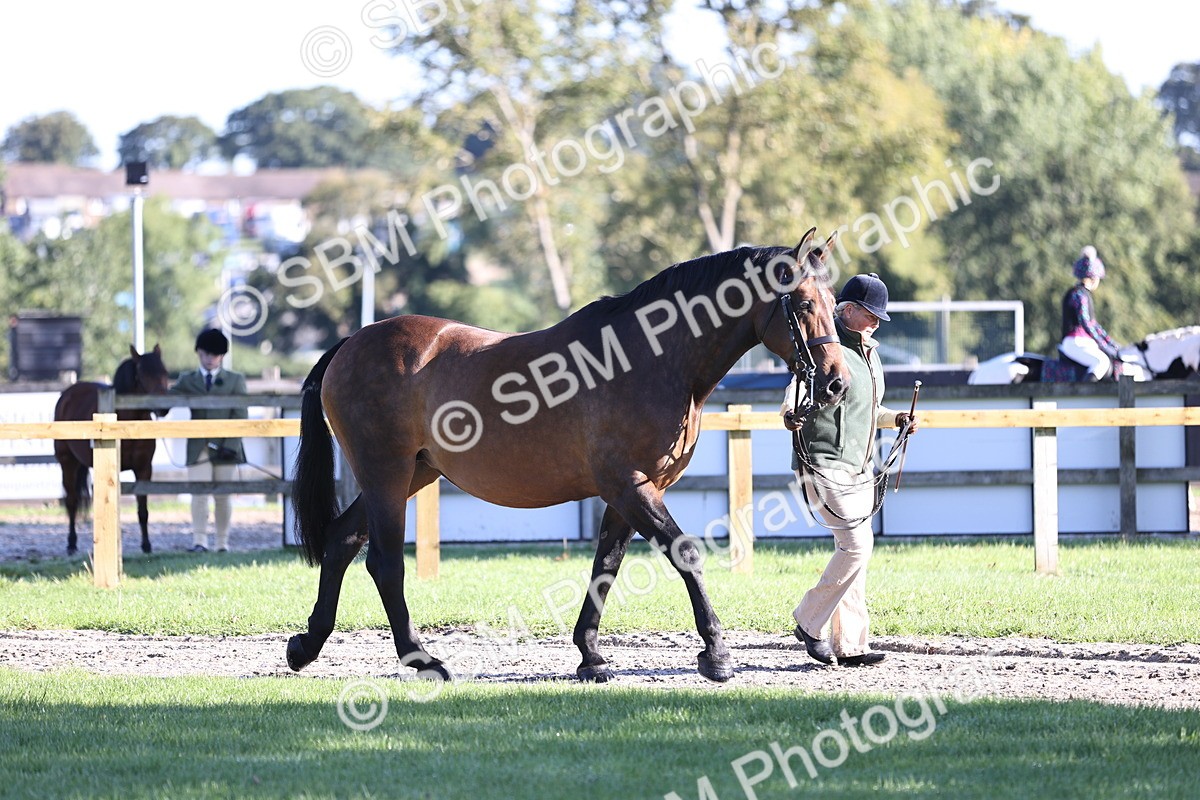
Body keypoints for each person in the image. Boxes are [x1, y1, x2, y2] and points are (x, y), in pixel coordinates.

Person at [780, 273, 918, 667]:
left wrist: (897, 420)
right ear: (848, 309)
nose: (876, 321)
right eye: (870, 313)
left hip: (859, 466)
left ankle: (851, 645)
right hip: (821, 461)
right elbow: (794, 392)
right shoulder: (825, 347)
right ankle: (808, 622)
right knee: (857, 545)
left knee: (857, 552)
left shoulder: (871, 357)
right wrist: (789, 414)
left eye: (879, 316)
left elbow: (869, 412)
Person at [171, 329, 247, 552]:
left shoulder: (235, 380)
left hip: (226, 446)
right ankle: (199, 541)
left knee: (223, 496)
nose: (210, 359)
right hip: (198, 446)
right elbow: (168, 398)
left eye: (215, 355)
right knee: (199, 493)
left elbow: (241, 415)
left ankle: (222, 542)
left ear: (222, 356)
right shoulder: (187, 379)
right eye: (206, 354)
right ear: (199, 353)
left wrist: (230, 446)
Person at [1059, 245, 1120, 381]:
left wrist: (1112, 344)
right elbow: (1087, 324)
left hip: (1082, 342)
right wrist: (1105, 346)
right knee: (1101, 362)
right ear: (1093, 278)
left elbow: (1094, 326)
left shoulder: (1082, 294)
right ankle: (1083, 395)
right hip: (1075, 342)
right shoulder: (1079, 295)